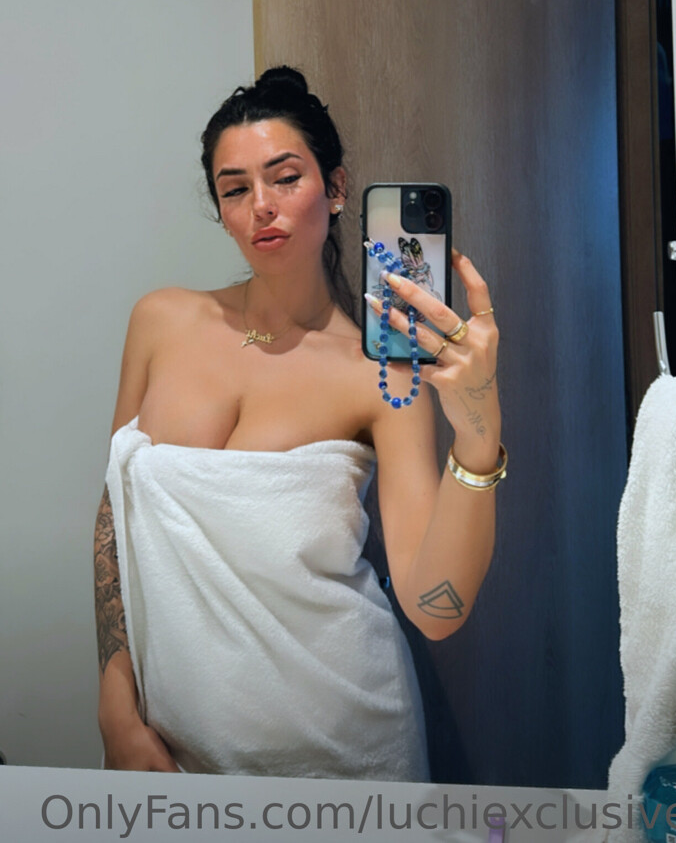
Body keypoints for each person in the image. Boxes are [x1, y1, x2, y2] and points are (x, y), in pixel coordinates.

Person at [94, 65, 503, 779]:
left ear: (336, 189)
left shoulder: (383, 374)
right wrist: (114, 702)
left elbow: (435, 608)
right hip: (167, 746)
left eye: (285, 178)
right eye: (234, 189)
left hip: (341, 747)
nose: (261, 206)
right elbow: (114, 518)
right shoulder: (159, 321)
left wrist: (478, 428)